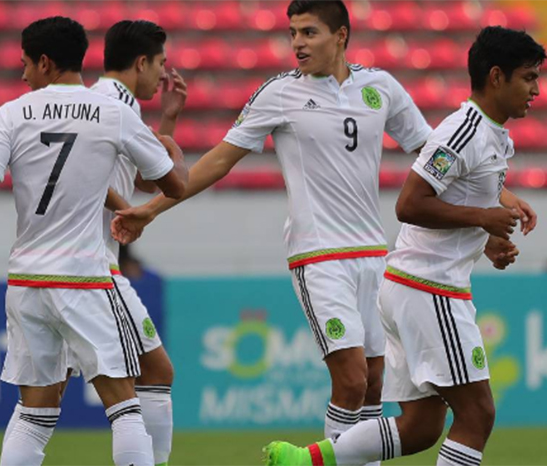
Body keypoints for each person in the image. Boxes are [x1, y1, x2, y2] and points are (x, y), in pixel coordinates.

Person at [113, 0, 432, 447]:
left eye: (309, 32)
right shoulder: (279, 93)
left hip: (374, 255)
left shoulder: (380, 87)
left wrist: (498, 196)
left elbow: (433, 152)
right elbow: (219, 160)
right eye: (293, 33)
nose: (297, 43)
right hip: (319, 257)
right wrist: (151, 208)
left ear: (341, 35)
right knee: (352, 379)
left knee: (375, 383)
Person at [264, 25, 544, 466]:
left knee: (420, 427)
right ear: (496, 76)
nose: (536, 90)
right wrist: (482, 218)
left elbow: (455, 202)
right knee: (477, 414)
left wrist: (487, 237)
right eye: (528, 77)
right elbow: (409, 204)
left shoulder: (489, 135)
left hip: (413, 286)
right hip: (430, 290)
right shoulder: (464, 132)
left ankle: (305, 461)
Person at [0, 16, 187, 466]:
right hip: (84, 277)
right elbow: (173, 185)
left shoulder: (12, 112)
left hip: (26, 281)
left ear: (44, 62)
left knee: (34, 413)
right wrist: (171, 152)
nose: (24, 73)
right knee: (124, 406)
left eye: (25, 63)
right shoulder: (111, 111)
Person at [82, 19, 187, 466]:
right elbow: (171, 180)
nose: (162, 73)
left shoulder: (107, 102)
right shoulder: (111, 106)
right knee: (152, 374)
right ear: (141, 62)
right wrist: (129, 209)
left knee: (39, 405)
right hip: (92, 263)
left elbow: (145, 176)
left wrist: (169, 118)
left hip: (79, 261)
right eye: (160, 63)